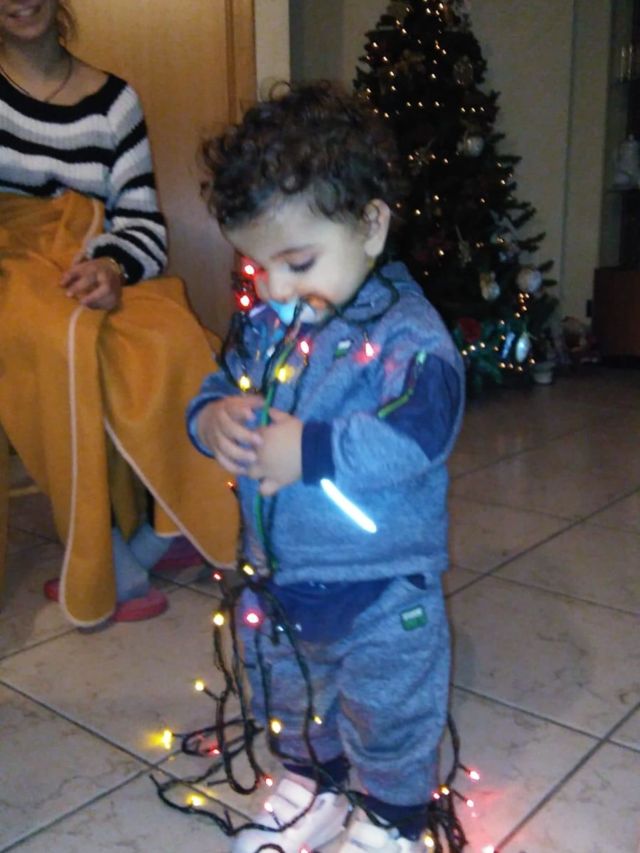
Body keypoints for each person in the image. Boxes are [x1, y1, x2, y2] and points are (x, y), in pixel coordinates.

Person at [187, 82, 465, 853]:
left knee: (388, 706)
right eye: (257, 265)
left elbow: (420, 430)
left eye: (297, 261)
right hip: (279, 575)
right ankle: (315, 781)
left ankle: (391, 819)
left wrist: (307, 450)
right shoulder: (269, 321)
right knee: (289, 691)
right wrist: (211, 417)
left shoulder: (410, 334)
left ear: (371, 225)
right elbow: (219, 381)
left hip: (382, 584)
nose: (274, 288)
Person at [0, 0, 238, 625]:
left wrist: (112, 268)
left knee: (174, 334)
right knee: (56, 336)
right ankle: (101, 549)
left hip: (91, 257)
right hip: (11, 269)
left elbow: (141, 221)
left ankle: (166, 529)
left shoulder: (115, 101)